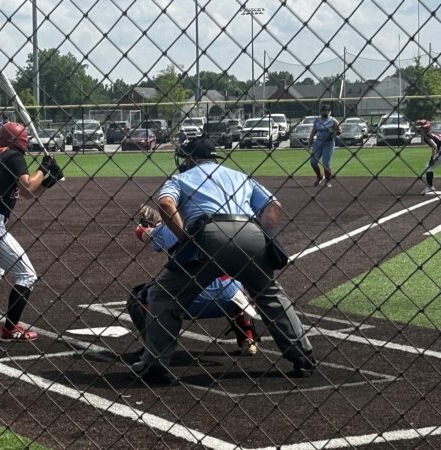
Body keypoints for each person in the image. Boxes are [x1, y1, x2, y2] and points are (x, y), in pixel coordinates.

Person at [130, 136, 314, 383]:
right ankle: (303, 356)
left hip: (209, 235)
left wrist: (185, 239)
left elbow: (165, 203)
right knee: (270, 295)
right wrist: (260, 237)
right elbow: (273, 206)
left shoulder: (181, 178)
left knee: (163, 295)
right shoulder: (239, 176)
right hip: (251, 232)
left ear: (192, 159)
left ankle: (156, 365)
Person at [0, 122, 64, 342]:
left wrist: (49, 180)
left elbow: (27, 194)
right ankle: (10, 329)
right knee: (27, 276)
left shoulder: (0, 156)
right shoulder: (14, 156)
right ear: (20, 140)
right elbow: (27, 186)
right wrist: (43, 167)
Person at [127, 206, 259, 359]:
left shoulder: (175, 227)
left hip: (187, 301)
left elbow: (144, 235)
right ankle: (247, 338)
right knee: (239, 278)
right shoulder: (224, 224)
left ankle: (154, 350)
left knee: (138, 298)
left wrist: (148, 227)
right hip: (229, 299)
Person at [308, 104, 341, 187]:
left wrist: (333, 132)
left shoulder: (333, 120)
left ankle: (327, 180)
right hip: (318, 143)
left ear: (329, 111)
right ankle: (319, 176)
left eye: (326, 110)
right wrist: (310, 141)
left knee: (326, 163)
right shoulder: (317, 120)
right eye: (323, 110)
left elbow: (339, 131)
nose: (325, 112)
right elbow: (313, 131)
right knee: (313, 162)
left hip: (328, 143)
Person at [414, 119, 441, 195]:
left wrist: (433, 158)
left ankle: (430, 187)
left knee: (428, 167)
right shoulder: (431, 133)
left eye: (421, 128)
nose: (419, 129)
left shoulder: (427, 135)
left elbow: (434, 146)